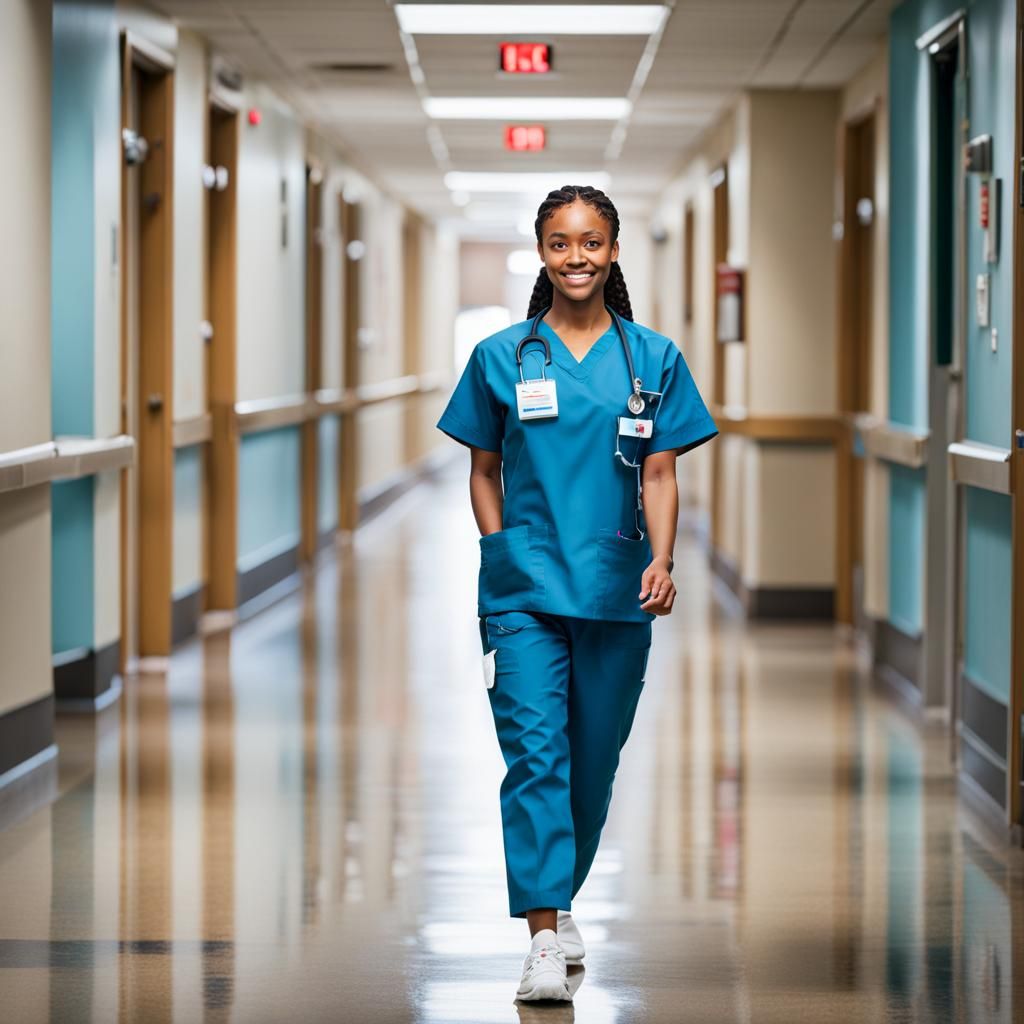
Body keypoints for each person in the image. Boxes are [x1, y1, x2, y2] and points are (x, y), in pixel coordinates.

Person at [436, 185, 717, 1003]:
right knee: (535, 756)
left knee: (592, 764)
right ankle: (543, 936)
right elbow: (482, 471)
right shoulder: (501, 356)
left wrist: (662, 559)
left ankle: (560, 897)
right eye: (560, 244)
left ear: (614, 250)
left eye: (591, 242)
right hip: (521, 592)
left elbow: (661, 471)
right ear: (542, 254)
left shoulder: (651, 358)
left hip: (620, 587)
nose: (577, 258)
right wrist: (499, 550)